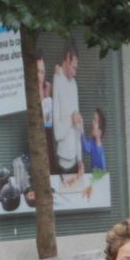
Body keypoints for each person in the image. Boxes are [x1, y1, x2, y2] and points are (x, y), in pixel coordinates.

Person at [53, 45, 84, 176]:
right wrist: (71, 119)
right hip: (62, 162)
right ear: (67, 59)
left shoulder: (74, 84)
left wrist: (80, 159)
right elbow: (57, 133)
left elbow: (77, 126)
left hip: (75, 161)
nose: (75, 72)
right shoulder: (57, 80)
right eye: (73, 67)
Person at [82, 108, 108, 172]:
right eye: (93, 119)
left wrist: (97, 138)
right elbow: (86, 149)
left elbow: (102, 166)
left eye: (95, 120)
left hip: (99, 178)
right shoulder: (93, 142)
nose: (92, 122)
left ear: (100, 131)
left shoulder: (99, 145)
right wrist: (80, 129)